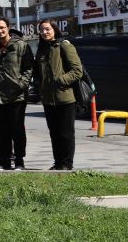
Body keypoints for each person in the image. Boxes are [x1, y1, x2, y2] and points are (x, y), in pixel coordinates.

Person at [0, 16, 33, 170]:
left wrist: (22, 84)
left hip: (16, 96)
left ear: (8, 27)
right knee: (2, 131)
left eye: (2, 27)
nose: (0, 31)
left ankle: (19, 161)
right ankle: (5, 161)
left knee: (17, 130)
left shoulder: (21, 45)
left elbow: (29, 68)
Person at [34, 20, 83, 170]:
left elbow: (77, 71)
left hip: (65, 98)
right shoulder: (42, 49)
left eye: (47, 29)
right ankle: (58, 163)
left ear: (54, 29)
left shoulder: (64, 45)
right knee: (54, 134)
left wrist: (60, 80)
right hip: (49, 100)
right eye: (42, 30)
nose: (44, 32)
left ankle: (67, 164)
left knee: (66, 134)